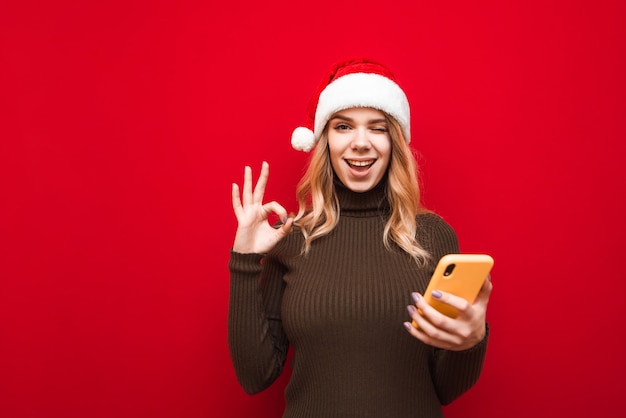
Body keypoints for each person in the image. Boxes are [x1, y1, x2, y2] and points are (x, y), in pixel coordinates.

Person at [227, 57, 493, 417]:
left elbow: (446, 390)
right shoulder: (290, 239)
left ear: (394, 141)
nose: (360, 143)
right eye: (343, 126)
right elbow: (254, 377)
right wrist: (244, 259)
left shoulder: (432, 237)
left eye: (377, 127)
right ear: (324, 140)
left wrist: (472, 341)